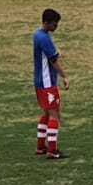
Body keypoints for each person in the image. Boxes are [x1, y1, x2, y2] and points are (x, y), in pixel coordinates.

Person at [33, 8, 69, 158]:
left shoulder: (38, 34)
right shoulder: (44, 39)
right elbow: (53, 60)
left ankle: (41, 146)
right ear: (46, 23)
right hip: (47, 83)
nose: (56, 27)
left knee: (47, 113)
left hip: (39, 82)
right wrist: (64, 76)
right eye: (54, 24)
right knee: (55, 114)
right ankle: (52, 150)